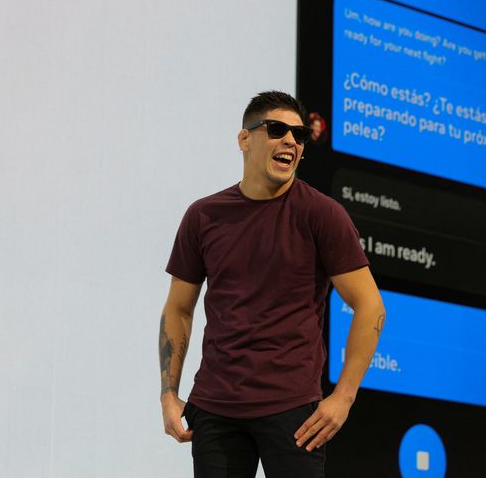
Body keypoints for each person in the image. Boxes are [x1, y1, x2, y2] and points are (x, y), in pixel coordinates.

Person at [158, 91, 384, 477]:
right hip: (215, 408)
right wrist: (168, 393)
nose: (291, 142)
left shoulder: (323, 215)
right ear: (245, 139)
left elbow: (370, 306)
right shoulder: (203, 216)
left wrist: (343, 398)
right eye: (277, 130)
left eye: (298, 135)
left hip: (294, 412)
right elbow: (178, 308)